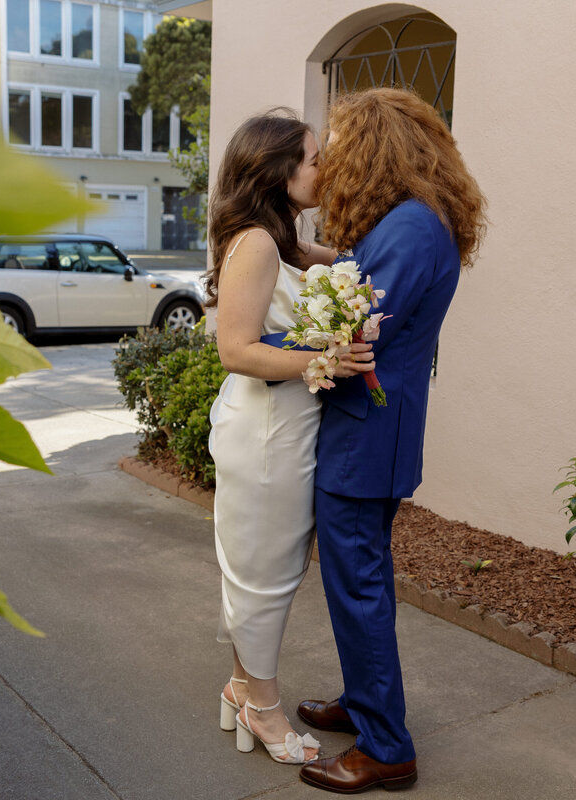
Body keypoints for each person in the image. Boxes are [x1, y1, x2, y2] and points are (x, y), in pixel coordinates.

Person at [295, 88, 488, 793]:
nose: (334, 160)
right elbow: (356, 287)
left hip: (366, 436)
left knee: (359, 586)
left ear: (377, 150)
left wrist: (268, 340)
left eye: (341, 146)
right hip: (373, 431)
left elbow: (354, 330)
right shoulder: (413, 220)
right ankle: (365, 701)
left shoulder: (409, 228)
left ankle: (387, 747)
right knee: (360, 583)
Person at [206, 110, 375, 765]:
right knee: (265, 577)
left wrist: (359, 296)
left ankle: (240, 687)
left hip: (284, 428)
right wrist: (328, 356)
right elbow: (237, 349)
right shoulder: (254, 243)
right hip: (267, 433)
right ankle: (264, 710)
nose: (321, 170)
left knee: (258, 570)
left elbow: (340, 269)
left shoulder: (279, 241)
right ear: (277, 170)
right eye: (312, 159)